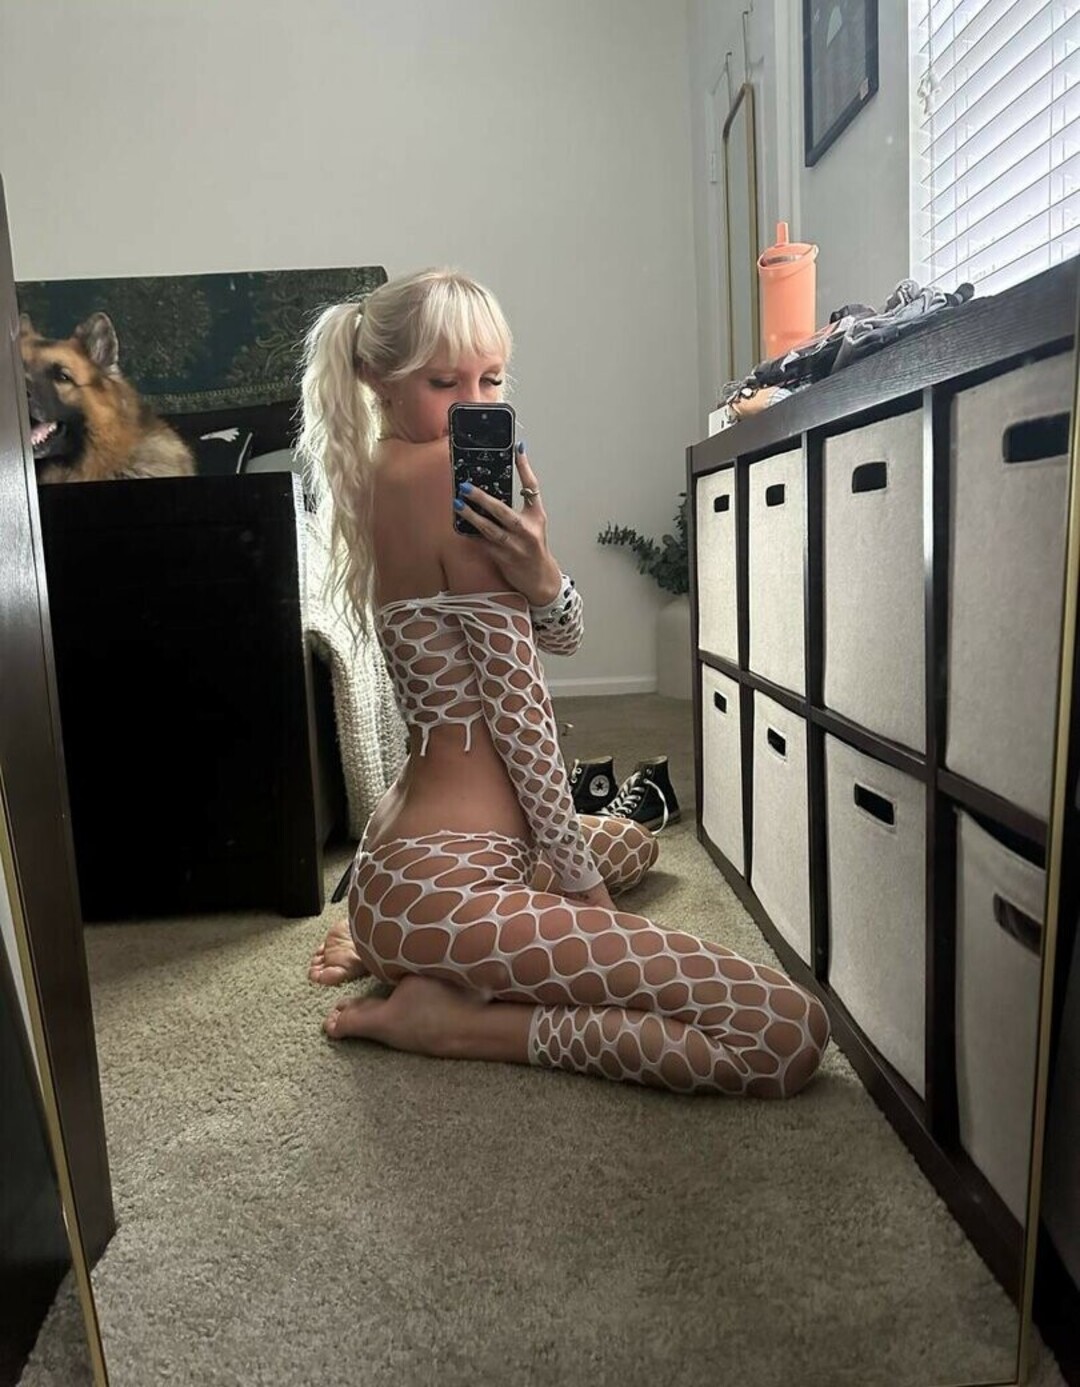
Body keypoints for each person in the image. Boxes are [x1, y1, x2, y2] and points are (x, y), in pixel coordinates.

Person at [302, 267, 830, 1097]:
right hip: (450, 881)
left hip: (404, 866)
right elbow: (522, 718)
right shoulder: (445, 476)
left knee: (634, 841)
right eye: (443, 383)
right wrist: (584, 893)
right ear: (377, 378)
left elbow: (561, 632)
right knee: (783, 1033)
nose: (471, 404)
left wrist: (541, 573)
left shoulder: (376, 470)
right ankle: (447, 1021)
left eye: (490, 380)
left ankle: (392, 943)